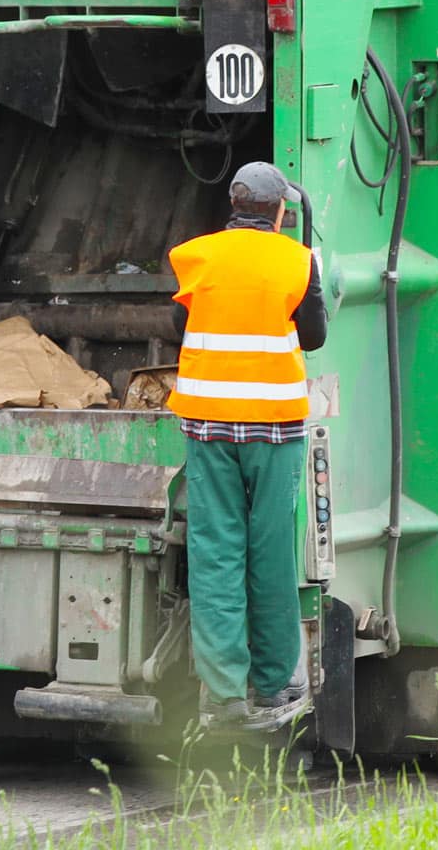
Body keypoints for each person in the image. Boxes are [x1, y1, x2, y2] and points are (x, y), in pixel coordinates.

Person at [165, 161, 328, 730]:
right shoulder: (298, 261)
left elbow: (176, 326)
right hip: (275, 429)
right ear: (281, 211)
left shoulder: (197, 256)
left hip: (208, 427)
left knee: (215, 555)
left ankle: (223, 694)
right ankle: (276, 685)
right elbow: (314, 335)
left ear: (233, 207)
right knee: (270, 554)